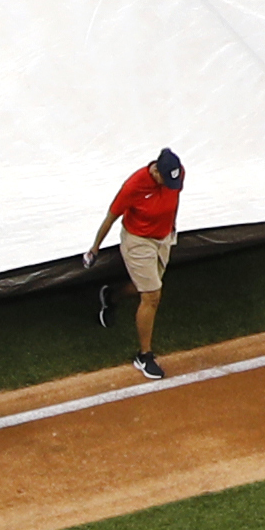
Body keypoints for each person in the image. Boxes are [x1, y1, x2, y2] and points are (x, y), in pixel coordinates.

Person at [85, 148, 184, 381]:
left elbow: (175, 197)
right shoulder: (133, 186)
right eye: (167, 180)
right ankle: (144, 356)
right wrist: (94, 248)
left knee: (149, 286)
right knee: (152, 295)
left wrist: (173, 226)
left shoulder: (176, 174)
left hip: (163, 238)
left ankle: (111, 297)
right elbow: (110, 218)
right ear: (156, 172)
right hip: (138, 241)